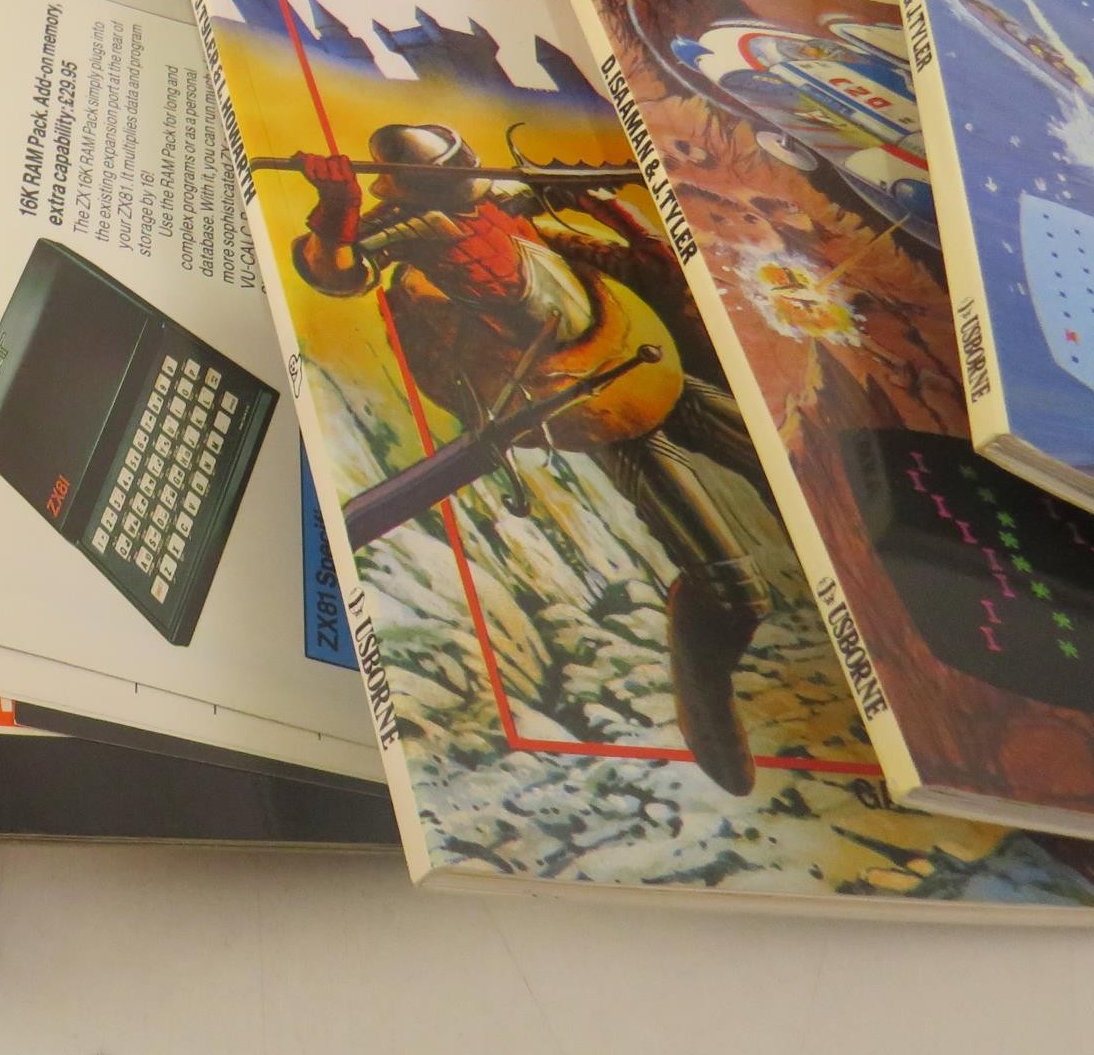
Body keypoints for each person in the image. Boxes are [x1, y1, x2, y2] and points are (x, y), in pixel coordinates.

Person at [293, 123, 769, 793]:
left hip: (645, 356)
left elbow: (592, 233)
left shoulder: (500, 202)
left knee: (789, 471)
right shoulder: (410, 231)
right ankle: (706, 703)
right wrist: (337, 215)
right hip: (601, 405)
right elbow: (338, 271)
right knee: (734, 589)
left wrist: (595, 199)